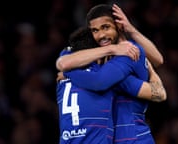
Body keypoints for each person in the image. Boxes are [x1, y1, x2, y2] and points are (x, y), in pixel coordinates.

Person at [56, 4, 166, 143]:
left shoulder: (129, 53)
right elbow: (63, 62)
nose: (101, 35)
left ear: (119, 25)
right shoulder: (109, 54)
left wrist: (70, 73)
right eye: (95, 30)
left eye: (106, 27)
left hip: (134, 139)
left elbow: (99, 81)